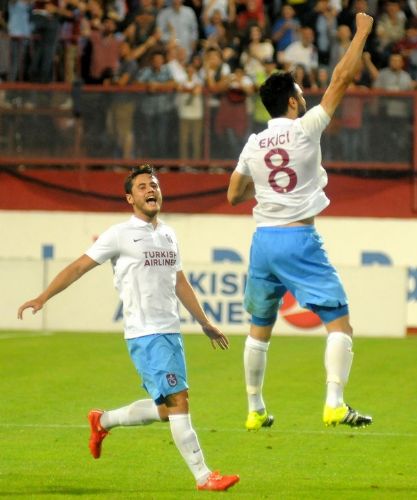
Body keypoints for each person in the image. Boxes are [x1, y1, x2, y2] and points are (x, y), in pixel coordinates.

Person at [17, 165, 240, 492]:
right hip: (146, 333)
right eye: (142, 186)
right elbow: (79, 267)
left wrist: (204, 322)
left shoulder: (168, 234)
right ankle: (204, 477)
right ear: (130, 198)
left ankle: (103, 420)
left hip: (170, 331)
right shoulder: (119, 234)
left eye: (154, 184)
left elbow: (179, 282)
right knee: (179, 401)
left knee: (166, 410)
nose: (151, 189)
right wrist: (43, 296)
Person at [227, 12, 374, 431]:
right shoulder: (305, 129)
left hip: (263, 242)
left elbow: (234, 195)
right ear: (292, 102)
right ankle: (334, 403)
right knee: (339, 322)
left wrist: (266, 188)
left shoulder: (254, 143)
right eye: (299, 91)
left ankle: (254, 410)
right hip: (298, 239)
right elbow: (341, 79)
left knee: (259, 327)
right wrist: (362, 31)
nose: (304, 95)